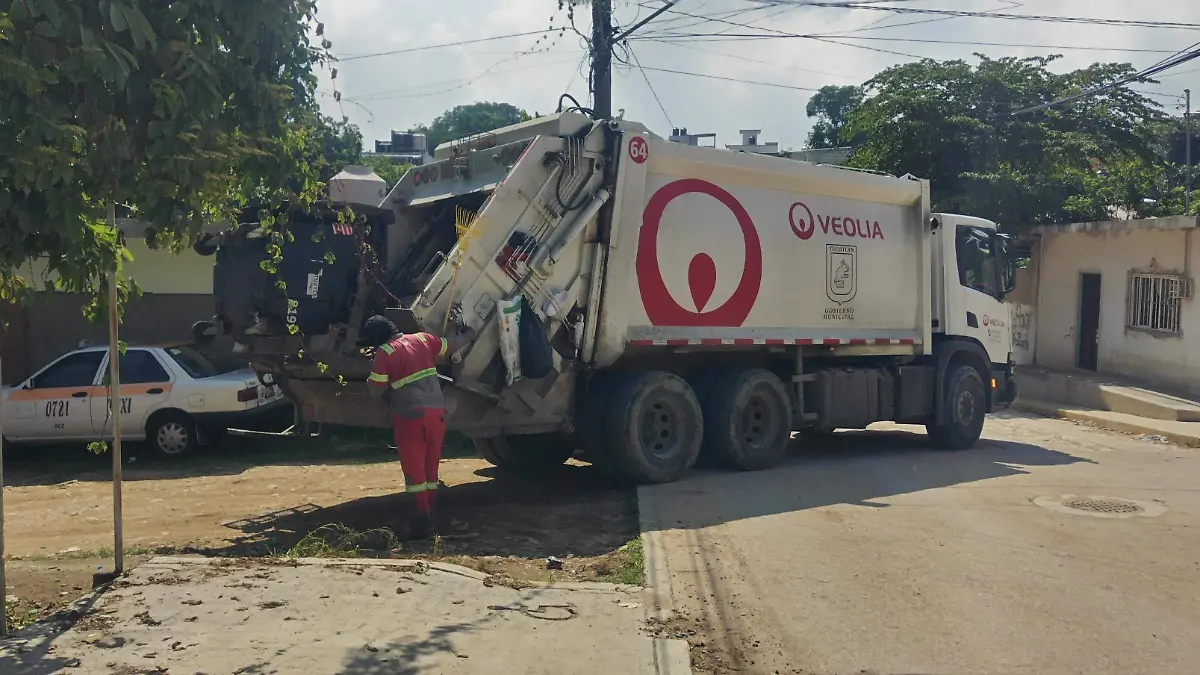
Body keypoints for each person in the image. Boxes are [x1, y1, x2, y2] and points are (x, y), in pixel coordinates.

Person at [362, 315, 477, 538]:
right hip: (436, 414)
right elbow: (450, 344)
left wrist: (372, 374)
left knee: (415, 472)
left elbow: (375, 389)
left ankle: (422, 522)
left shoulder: (385, 353)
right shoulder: (423, 339)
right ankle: (431, 515)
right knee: (430, 469)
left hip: (409, 417)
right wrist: (468, 334)